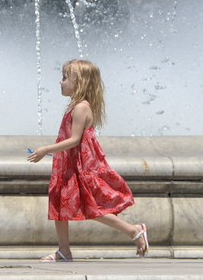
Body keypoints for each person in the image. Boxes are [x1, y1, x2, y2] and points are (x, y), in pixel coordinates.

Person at [27, 59, 147, 262]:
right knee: (58, 205)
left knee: (92, 207)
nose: (60, 82)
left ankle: (133, 230)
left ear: (79, 82)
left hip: (79, 168)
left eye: (65, 78)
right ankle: (63, 251)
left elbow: (74, 140)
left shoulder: (81, 108)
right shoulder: (75, 106)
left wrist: (45, 149)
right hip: (68, 166)